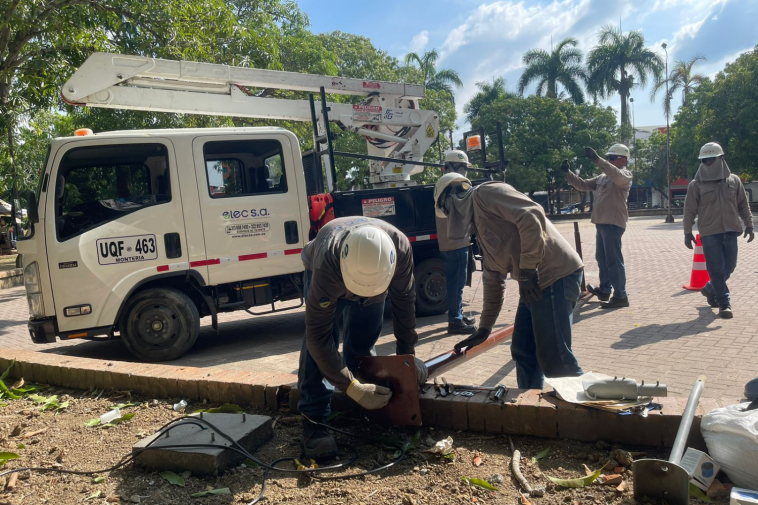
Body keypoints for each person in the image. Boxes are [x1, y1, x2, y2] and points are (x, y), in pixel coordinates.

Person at [434, 173, 585, 390]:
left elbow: (531, 214)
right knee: (524, 350)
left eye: (447, 210)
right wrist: (485, 328)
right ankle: (531, 404)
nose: (451, 216)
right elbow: (493, 279)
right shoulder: (479, 226)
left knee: (556, 360)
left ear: (451, 197)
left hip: (555, 275)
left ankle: (586, 414)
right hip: (533, 281)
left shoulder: (485, 194)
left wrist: (527, 268)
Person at [297, 216, 427, 459]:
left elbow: (404, 303)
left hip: (374, 285)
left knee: (363, 343)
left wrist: (407, 356)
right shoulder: (327, 265)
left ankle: (364, 406)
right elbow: (318, 336)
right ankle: (313, 421)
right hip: (326, 273)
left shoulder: (400, 250)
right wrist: (350, 386)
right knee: (319, 349)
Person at [683, 142, 753, 319]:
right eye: (704, 160)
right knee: (716, 269)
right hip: (709, 233)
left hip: (730, 230)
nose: (708, 163)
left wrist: (749, 224)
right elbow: (689, 210)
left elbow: (743, 204)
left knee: (729, 267)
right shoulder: (695, 185)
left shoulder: (734, 181)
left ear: (721, 159)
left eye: (711, 159)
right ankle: (724, 303)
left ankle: (709, 288)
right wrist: (687, 232)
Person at [562, 145, 633, 309]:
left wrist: (597, 159)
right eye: (608, 158)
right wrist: (568, 173)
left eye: (612, 158)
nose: (609, 160)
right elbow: (583, 185)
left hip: (613, 223)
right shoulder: (603, 177)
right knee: (602, 259)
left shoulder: (625, 176)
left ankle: (621, 295)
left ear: (622, 159)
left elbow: (616, 174)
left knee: (613, 260)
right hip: (601, 222)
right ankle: (605, 289)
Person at [436, 150, 476, 334]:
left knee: (455, 282)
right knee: (457, 284)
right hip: (457, 243)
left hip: (449, 242)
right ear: (457, 166)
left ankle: (458, 313)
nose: (466, 172)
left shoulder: (444, 185)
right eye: (464, 168)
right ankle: (455, 320)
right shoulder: (455, 186)